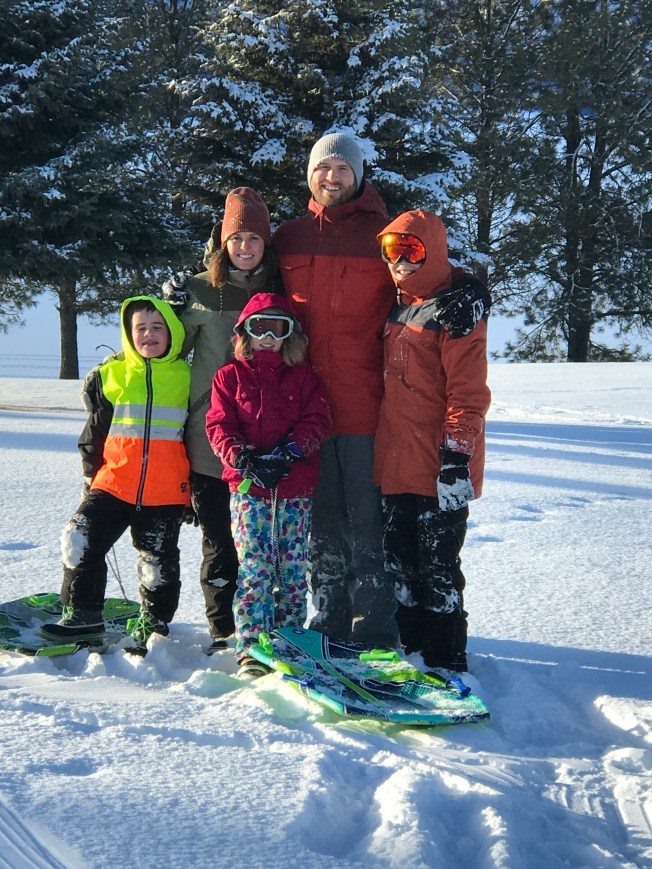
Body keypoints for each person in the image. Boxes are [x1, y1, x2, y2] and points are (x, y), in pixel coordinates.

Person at [272, 132, 491, 649]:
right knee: (323, 531)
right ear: (309, 175)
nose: (331, 177)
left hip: (369, 410)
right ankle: (328, 625)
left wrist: (471, 287)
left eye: (342, 169)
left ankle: (374, 633)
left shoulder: (381, 236)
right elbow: (252, 281)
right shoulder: (289, 237)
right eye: (322, 168)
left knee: (372, 531)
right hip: (305, 412)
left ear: (358, 175)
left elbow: (426, 274)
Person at [373, 211, 491, 673]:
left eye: (412, 250)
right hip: (396, 460)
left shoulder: (456, 310)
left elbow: (469, 393)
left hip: (441, 466)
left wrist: (457, 456)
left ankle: (445, 658)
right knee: (400, 564)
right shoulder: (395, 301)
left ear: (433, 251)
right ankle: (411, 649)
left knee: (438, 566)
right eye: (392, 250)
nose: (400, 261)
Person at [41, 297, 192, 654]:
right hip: (113, 484)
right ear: (128, 334)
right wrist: (89, 476)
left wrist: (197, 493)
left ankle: (154, 625)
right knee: (78, 539)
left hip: (165, 491)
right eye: (141, 328)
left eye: (158, 327)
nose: (149, 334)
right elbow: (94, 433)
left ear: (173, 332)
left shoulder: (189, 378)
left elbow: (200, 435)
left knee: (157, 563)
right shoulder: (111, 375)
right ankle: (83, 616)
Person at [171, 187, 281, 654]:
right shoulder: (198, 290)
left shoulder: (281, 289)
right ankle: (223, 629)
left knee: (263, 543)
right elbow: (165, 349)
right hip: (209, 437)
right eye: (236, 238)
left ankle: (266, 624)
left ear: (266, 243)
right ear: (222, 241)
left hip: (266, 437)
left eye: (254, 238)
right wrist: (169, 307)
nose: (245, 247)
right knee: (219, 539)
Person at [205, 292, 331, 678]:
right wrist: (243, 458)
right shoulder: (229, 376)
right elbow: (218, 424)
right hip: (250, 489)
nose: (268, 337)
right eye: (260, 328)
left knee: (291, 567)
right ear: (245, 332)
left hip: (294, 489)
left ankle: (289, 639)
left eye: (278, 328)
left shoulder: (304, 377)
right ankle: (252, 645)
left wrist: (291, 451)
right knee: (256, 566)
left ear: (290, 334)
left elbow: (318, 419)